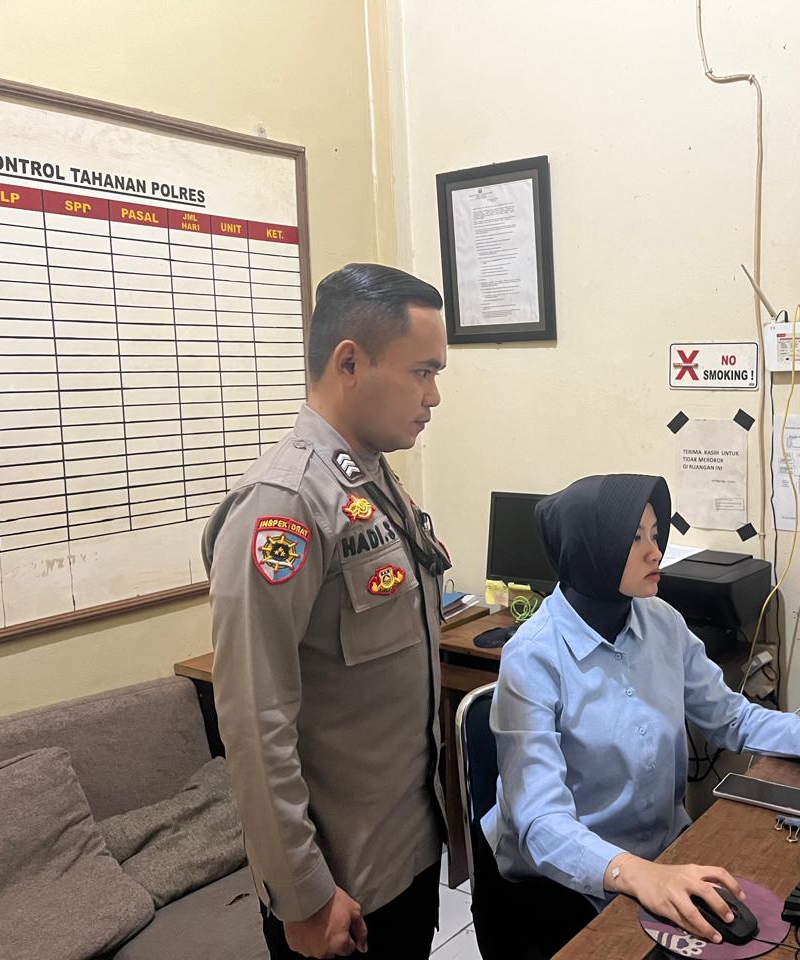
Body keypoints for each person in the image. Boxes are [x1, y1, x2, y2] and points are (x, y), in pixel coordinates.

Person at [475, 474, 800, 959]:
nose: (656, 552)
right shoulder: (533, 656)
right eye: (635, 538)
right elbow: (539, 821)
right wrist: (638, 874)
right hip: (561, 881)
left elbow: (733, 718)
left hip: (663, 858)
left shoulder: (661, 621)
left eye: (655, 534)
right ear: (590, 549)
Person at [202, 263, 451, 959]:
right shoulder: (284, 505)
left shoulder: (371, 478)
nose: (434, 396)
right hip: (342, 890)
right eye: (422, 372)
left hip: (403, 849)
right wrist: (302, 893)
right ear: (349, 363)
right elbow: (254, 719)